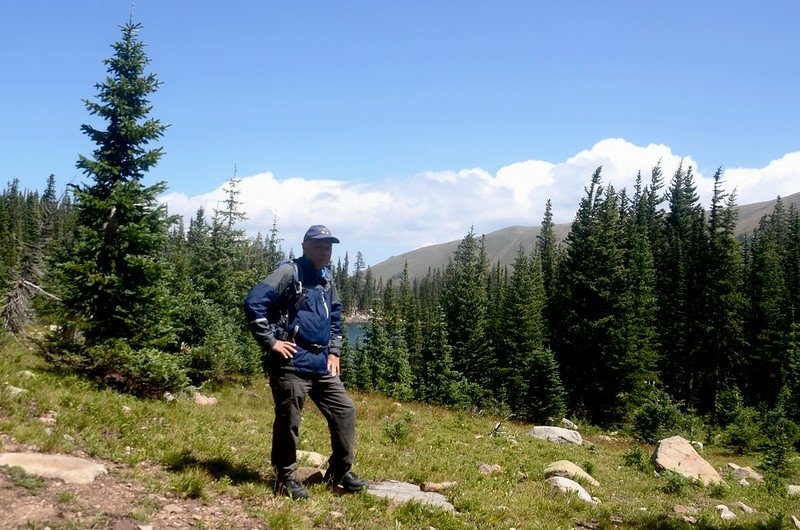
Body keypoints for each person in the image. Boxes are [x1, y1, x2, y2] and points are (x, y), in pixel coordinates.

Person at [244, 224, 367, 499]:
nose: (325, 251)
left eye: (329, 247)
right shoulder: (289, 272)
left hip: (321, 362)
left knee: (344, 410)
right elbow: (254, 301)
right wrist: (272, 342)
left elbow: (335, 314)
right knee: (289, 421)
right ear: (304, 247)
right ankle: (285, 478)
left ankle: (339, 473)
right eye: (319, 246)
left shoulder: (326, 277)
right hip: (292, 362)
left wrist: (334, 351)